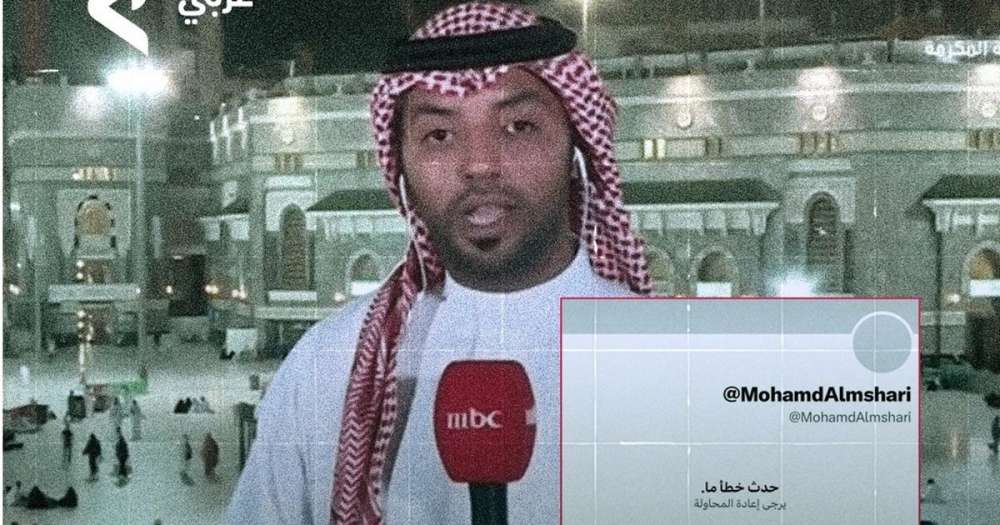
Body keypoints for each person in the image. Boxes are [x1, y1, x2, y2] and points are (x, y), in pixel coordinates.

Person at [225, 3, 650, 524]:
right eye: (439, 135)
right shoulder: (327, 366)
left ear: (576, 150)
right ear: (400, 170)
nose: (480, 164)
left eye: (518, 126)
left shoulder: (671, 362)